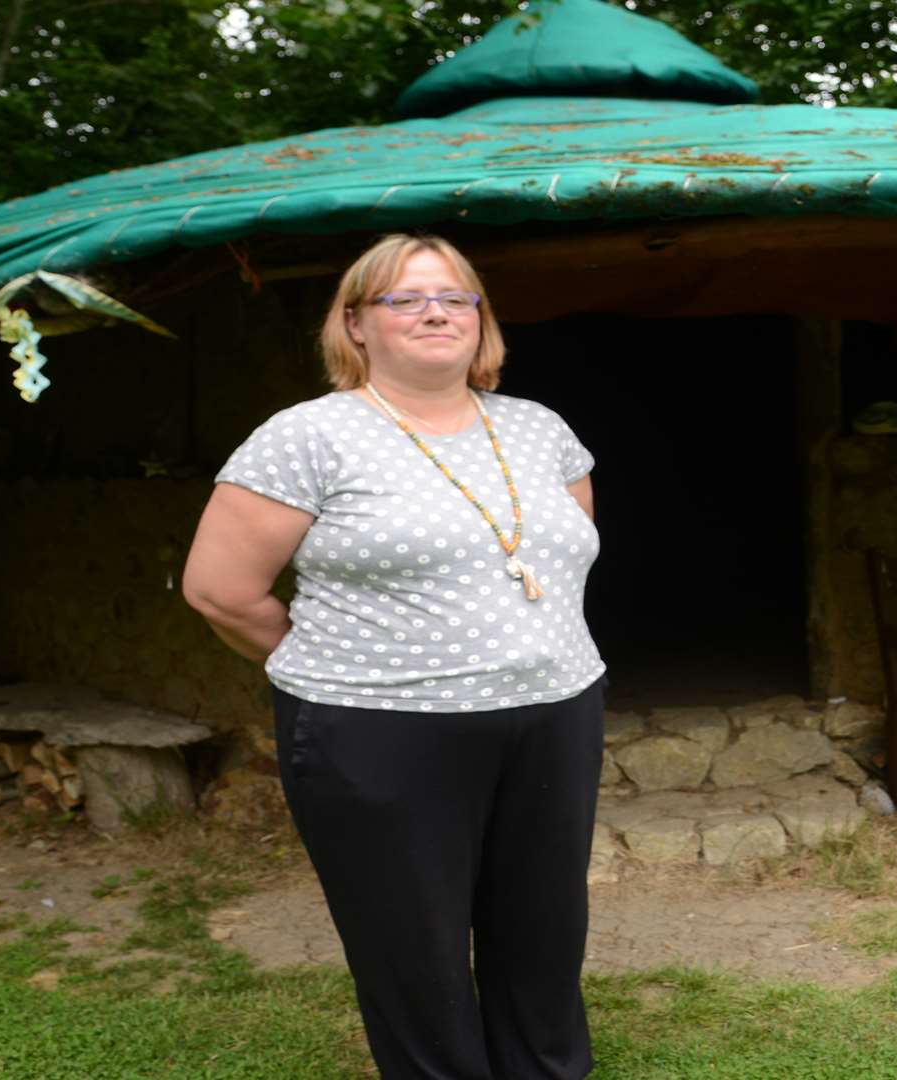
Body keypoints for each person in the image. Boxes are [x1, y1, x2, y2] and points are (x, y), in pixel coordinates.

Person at [183, 233, 604, 1079]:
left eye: (456, 297)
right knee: (414, 947)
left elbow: (565, 558)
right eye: (404, 299)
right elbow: (221, 590)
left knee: (543, 927)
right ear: (356, 325)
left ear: (481, 321)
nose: (436, 312)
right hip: (379, 728)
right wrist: (346, 664)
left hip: (555, 714)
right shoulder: (308, 437)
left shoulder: (540, 429)